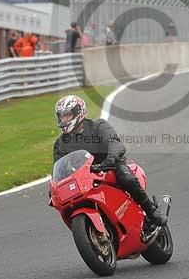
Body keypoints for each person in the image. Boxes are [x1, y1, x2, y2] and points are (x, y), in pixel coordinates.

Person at [52, 95, 167, 227]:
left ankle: (151, 211)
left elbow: (114, 142)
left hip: (109, 167)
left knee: (126, 178)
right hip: (84, 177)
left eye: (67, 115)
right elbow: (58, 167)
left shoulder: (98, 126)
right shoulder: (60, 144)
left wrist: (111, 159)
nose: (63, 119)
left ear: (78, 112)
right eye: (61, 116)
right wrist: (54, 186)